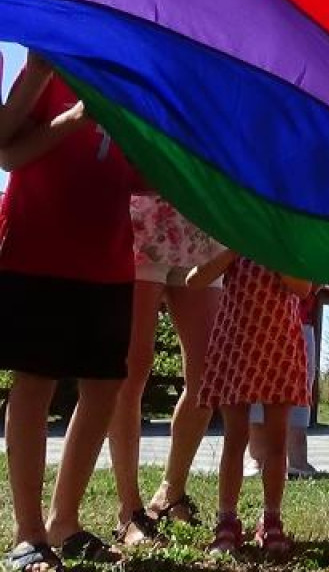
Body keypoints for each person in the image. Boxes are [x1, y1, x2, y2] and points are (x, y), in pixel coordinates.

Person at [0, 52, 135, 571]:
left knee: (104, 385)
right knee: (35, 380)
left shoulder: (130, 71)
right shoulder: (50, 60)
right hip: (39, 248)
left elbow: (144, 171)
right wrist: (75, 114)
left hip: (109, 255)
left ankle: (64, 521)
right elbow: (8, 152)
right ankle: (28, 533)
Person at [107, 195, 224, 544]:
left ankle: (171, 493)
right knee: (133, 367)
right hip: (143, 218)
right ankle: (129, 509)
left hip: (201, 221)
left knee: (208, 374)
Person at [189, 250, 311, 555]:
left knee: (277, 441)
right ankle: (227, 520)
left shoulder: (283, 241)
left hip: (279, 344)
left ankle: (271, 519)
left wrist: (271, 249)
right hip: (238, 343)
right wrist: (233, 247)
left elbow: (303, 288)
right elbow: (194, 279)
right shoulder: (233, 239)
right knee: (235, 438)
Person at [247, 287, 321, 479]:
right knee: (258, 381)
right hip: (260, 315)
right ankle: (257, 457)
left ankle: (297, 459)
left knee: (301, 384)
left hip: (301, 318)